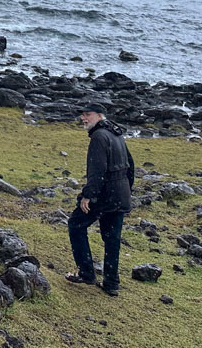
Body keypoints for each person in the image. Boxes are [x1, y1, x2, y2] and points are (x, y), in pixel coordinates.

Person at [65, 101, 135, 296]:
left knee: (76, 224)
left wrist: (88, 196)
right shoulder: (117, 133)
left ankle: (86, 273)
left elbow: (97, 171)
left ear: (100, 115)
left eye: (88, 114)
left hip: (105, 195)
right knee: (112, 238)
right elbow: (131, 165)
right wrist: (128, 190)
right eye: (82, 114)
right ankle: (111, 283)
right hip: (120, 195)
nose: (83, 118)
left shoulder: (99, 136)